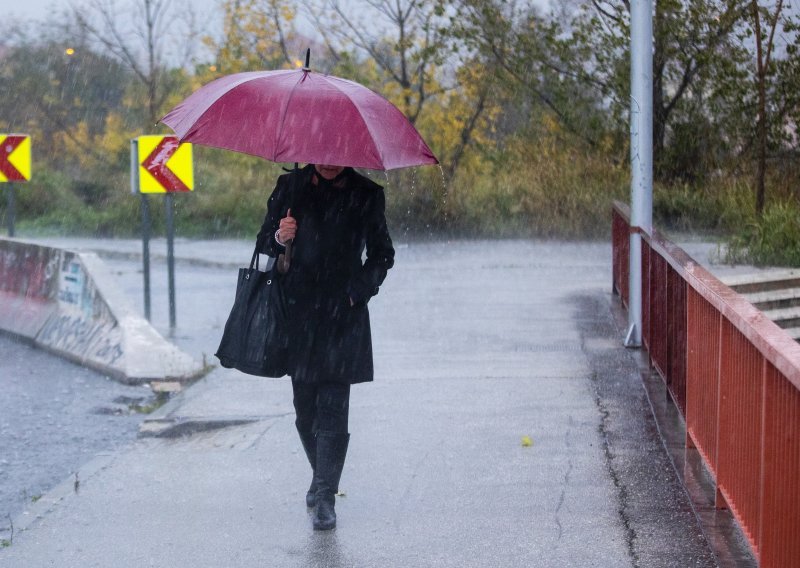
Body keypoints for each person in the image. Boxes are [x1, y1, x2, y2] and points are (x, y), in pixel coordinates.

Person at [258, 163, 395, 531]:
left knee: (333, 407)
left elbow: (383, 255)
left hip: (342, 317)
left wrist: (355, 293)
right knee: (305, 412)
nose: (329, 159)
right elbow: (262, 243)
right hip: (299, 316)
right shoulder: (291, 187)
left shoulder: (366, 194)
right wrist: (278, 238)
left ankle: (324, 497)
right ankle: (322, 476)